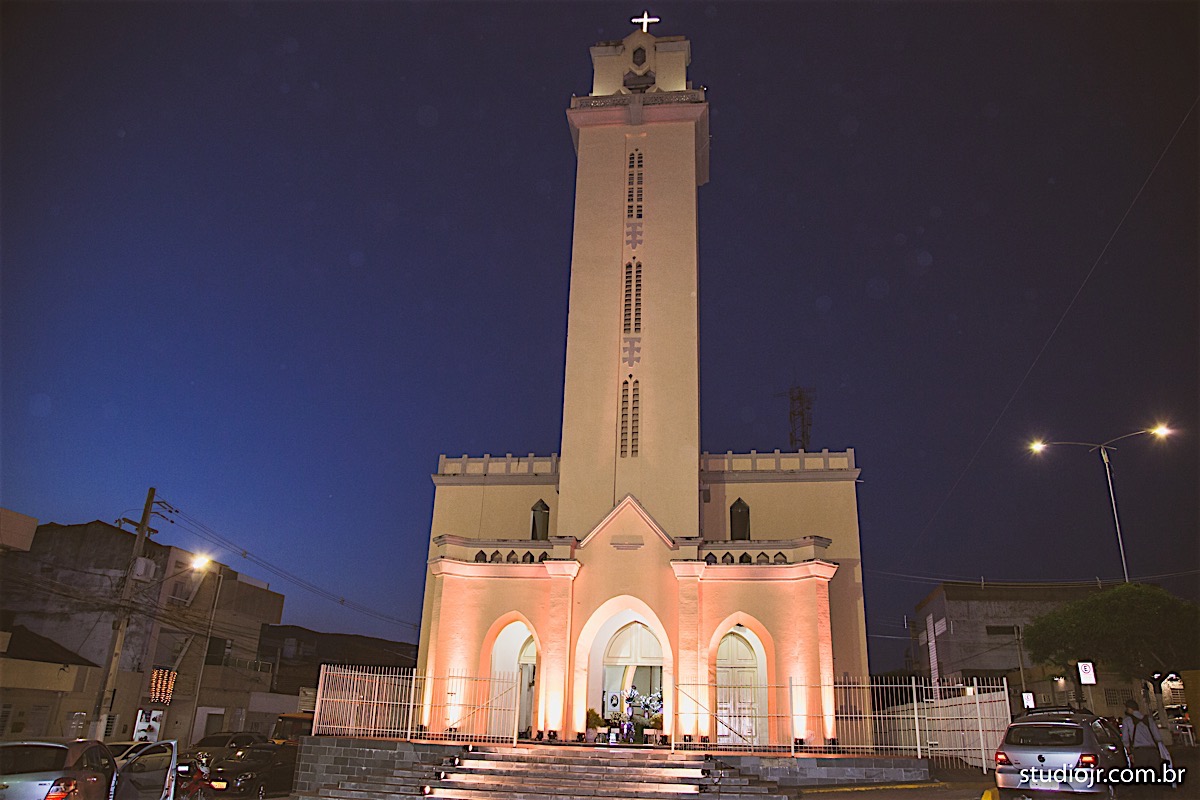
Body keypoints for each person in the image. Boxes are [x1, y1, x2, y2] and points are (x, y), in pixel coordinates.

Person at [1122, 698, 1166, 769]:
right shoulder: (1149, 719)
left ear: (1130, 709)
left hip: (1139, 752)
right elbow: (1158, 737)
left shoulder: (1127, 721)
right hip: (1153, 751)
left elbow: (1125, 739)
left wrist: (1129, 753)